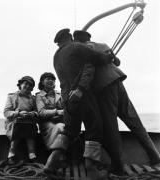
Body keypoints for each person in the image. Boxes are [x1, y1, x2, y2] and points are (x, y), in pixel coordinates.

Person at [73, 30, 160, 172]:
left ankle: (118, 166)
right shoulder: (103, 45)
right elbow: (117, 62)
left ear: (78, 42)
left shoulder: (83, 50)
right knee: (135, 121)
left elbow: (89, 70)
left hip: (104, 88)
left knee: (111, 128)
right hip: (118, 82)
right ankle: (155, 155)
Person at [52, 28, 117, 180]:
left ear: (58, 42)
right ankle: (92, 169)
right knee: (94, 127)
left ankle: (50, 163)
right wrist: (108, 57)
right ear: (69, 37)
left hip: (67, 97)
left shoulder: (56, 56)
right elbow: (97, 58)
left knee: (69, 131)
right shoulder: (76, 46)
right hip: (81, 94)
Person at [36, 72, 66, 173]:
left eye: (52, 79)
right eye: (47, 78)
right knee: (61, 128)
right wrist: (57, 112)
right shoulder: (39, 96)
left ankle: (55, 161)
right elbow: (41, 112)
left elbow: (66, 108)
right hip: (47, 124)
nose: (50, 80)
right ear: (42, 82)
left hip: (60, 121)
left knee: (64, 128)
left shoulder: (60, 94)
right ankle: (59, 162)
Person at [4, 76, 38, 164]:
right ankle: (11, 155)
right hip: (15, 124)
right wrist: (18, 114)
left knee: (30, 127)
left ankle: (32, 155)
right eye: (25, 84)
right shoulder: (11, 96)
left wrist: (32, 114)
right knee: (19, 125)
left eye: (30, 85)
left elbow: (38, 112)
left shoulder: (34, 98)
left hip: (29, 123)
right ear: (20, 84)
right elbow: (6, 112)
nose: (28, 86)